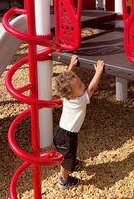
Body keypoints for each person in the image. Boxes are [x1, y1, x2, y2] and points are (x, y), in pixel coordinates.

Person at [53, 55, 104, 189]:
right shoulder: (80, 99)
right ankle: (63, 180)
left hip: (59, 132)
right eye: (81, 86)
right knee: (67, 159)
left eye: (81, 82)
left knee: (68, 155)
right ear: (72, 94)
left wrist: (71, 65)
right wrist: (98, 72)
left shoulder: (66, 96)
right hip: (68, 136)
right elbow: (91, 89)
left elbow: (67, 77)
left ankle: (72, 164)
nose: (84, 85)